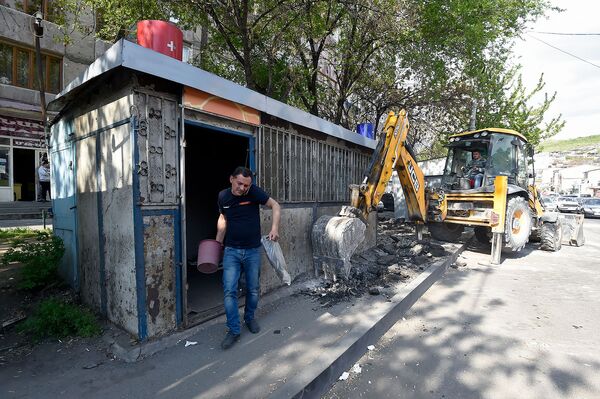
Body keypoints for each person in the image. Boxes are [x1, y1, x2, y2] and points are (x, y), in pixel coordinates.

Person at [216, 166, 281, 350]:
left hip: (252, 250)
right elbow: (223, 218)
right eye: (240, 184)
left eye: (246, 185)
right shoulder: (223, 197)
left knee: (253, 289)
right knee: (229, 291)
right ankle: (234, 330)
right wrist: (217, 243)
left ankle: (249, 318)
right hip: (231, 251)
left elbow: (275, 205)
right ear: (231, 179)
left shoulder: (253, 192)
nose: (243, 188)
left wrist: (274, 228)